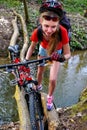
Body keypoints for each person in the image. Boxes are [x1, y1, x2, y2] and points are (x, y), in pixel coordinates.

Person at [25, 0, 71, 111]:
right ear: (41, 21)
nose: (49, 30)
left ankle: (50, 97)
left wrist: (61, 58)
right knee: (40, 71)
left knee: (52, 79)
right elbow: (31, 47)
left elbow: (68, 54)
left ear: (58, 24)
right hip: (43, 50)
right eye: (46, 26)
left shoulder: (63, 31)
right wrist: (26, 60)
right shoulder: (38, 31)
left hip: (56, 53)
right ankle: (38, 86)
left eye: (53, 27)